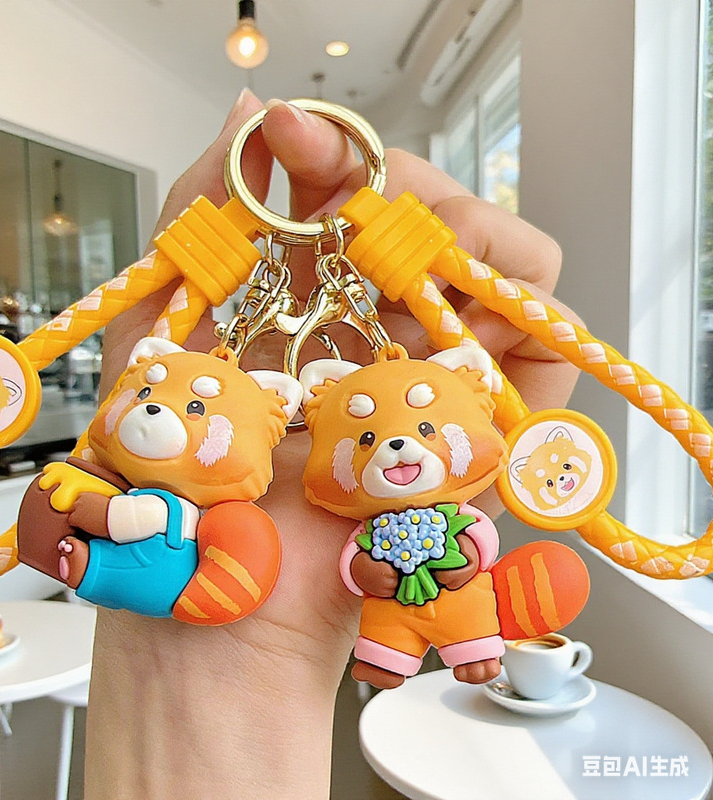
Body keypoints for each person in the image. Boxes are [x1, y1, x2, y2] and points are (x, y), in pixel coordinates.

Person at [84, 89, 581, 799]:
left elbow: (461, 544)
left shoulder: (408, 478)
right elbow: (361, 564)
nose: (398, 451)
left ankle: (447, 645)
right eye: (372, 436)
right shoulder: (157, 400)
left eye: (421, 430)